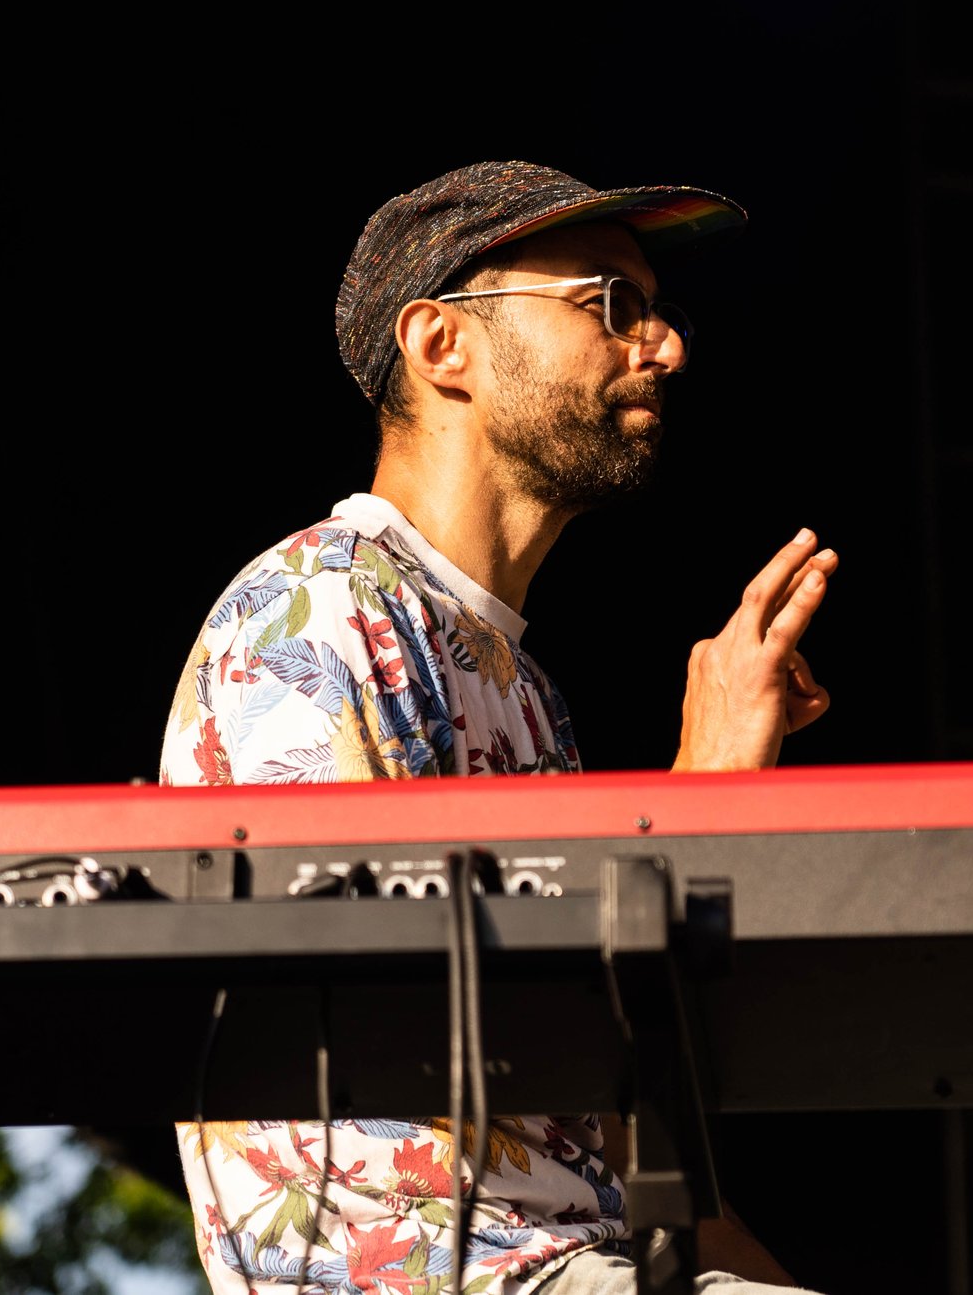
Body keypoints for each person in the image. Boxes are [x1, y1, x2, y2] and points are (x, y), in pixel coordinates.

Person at [161, 160, 838, 1293]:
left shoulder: (524, 692)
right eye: (609, 303)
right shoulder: (317, 607)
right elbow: (395, 1021)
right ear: (441, 347)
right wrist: (699, 789)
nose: (665, 346)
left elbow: (620, 1129)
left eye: (658, 313)